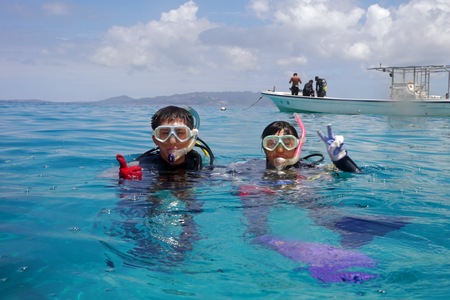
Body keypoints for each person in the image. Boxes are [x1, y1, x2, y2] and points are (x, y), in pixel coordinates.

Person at [116, 105, 214, 180]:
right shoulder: (139, 167)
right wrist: (122, 181)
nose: (172, 141)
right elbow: (106, 176)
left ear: (192, 137)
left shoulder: (204, 170)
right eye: (164, 133)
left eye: (180, 133)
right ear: (155, 139)